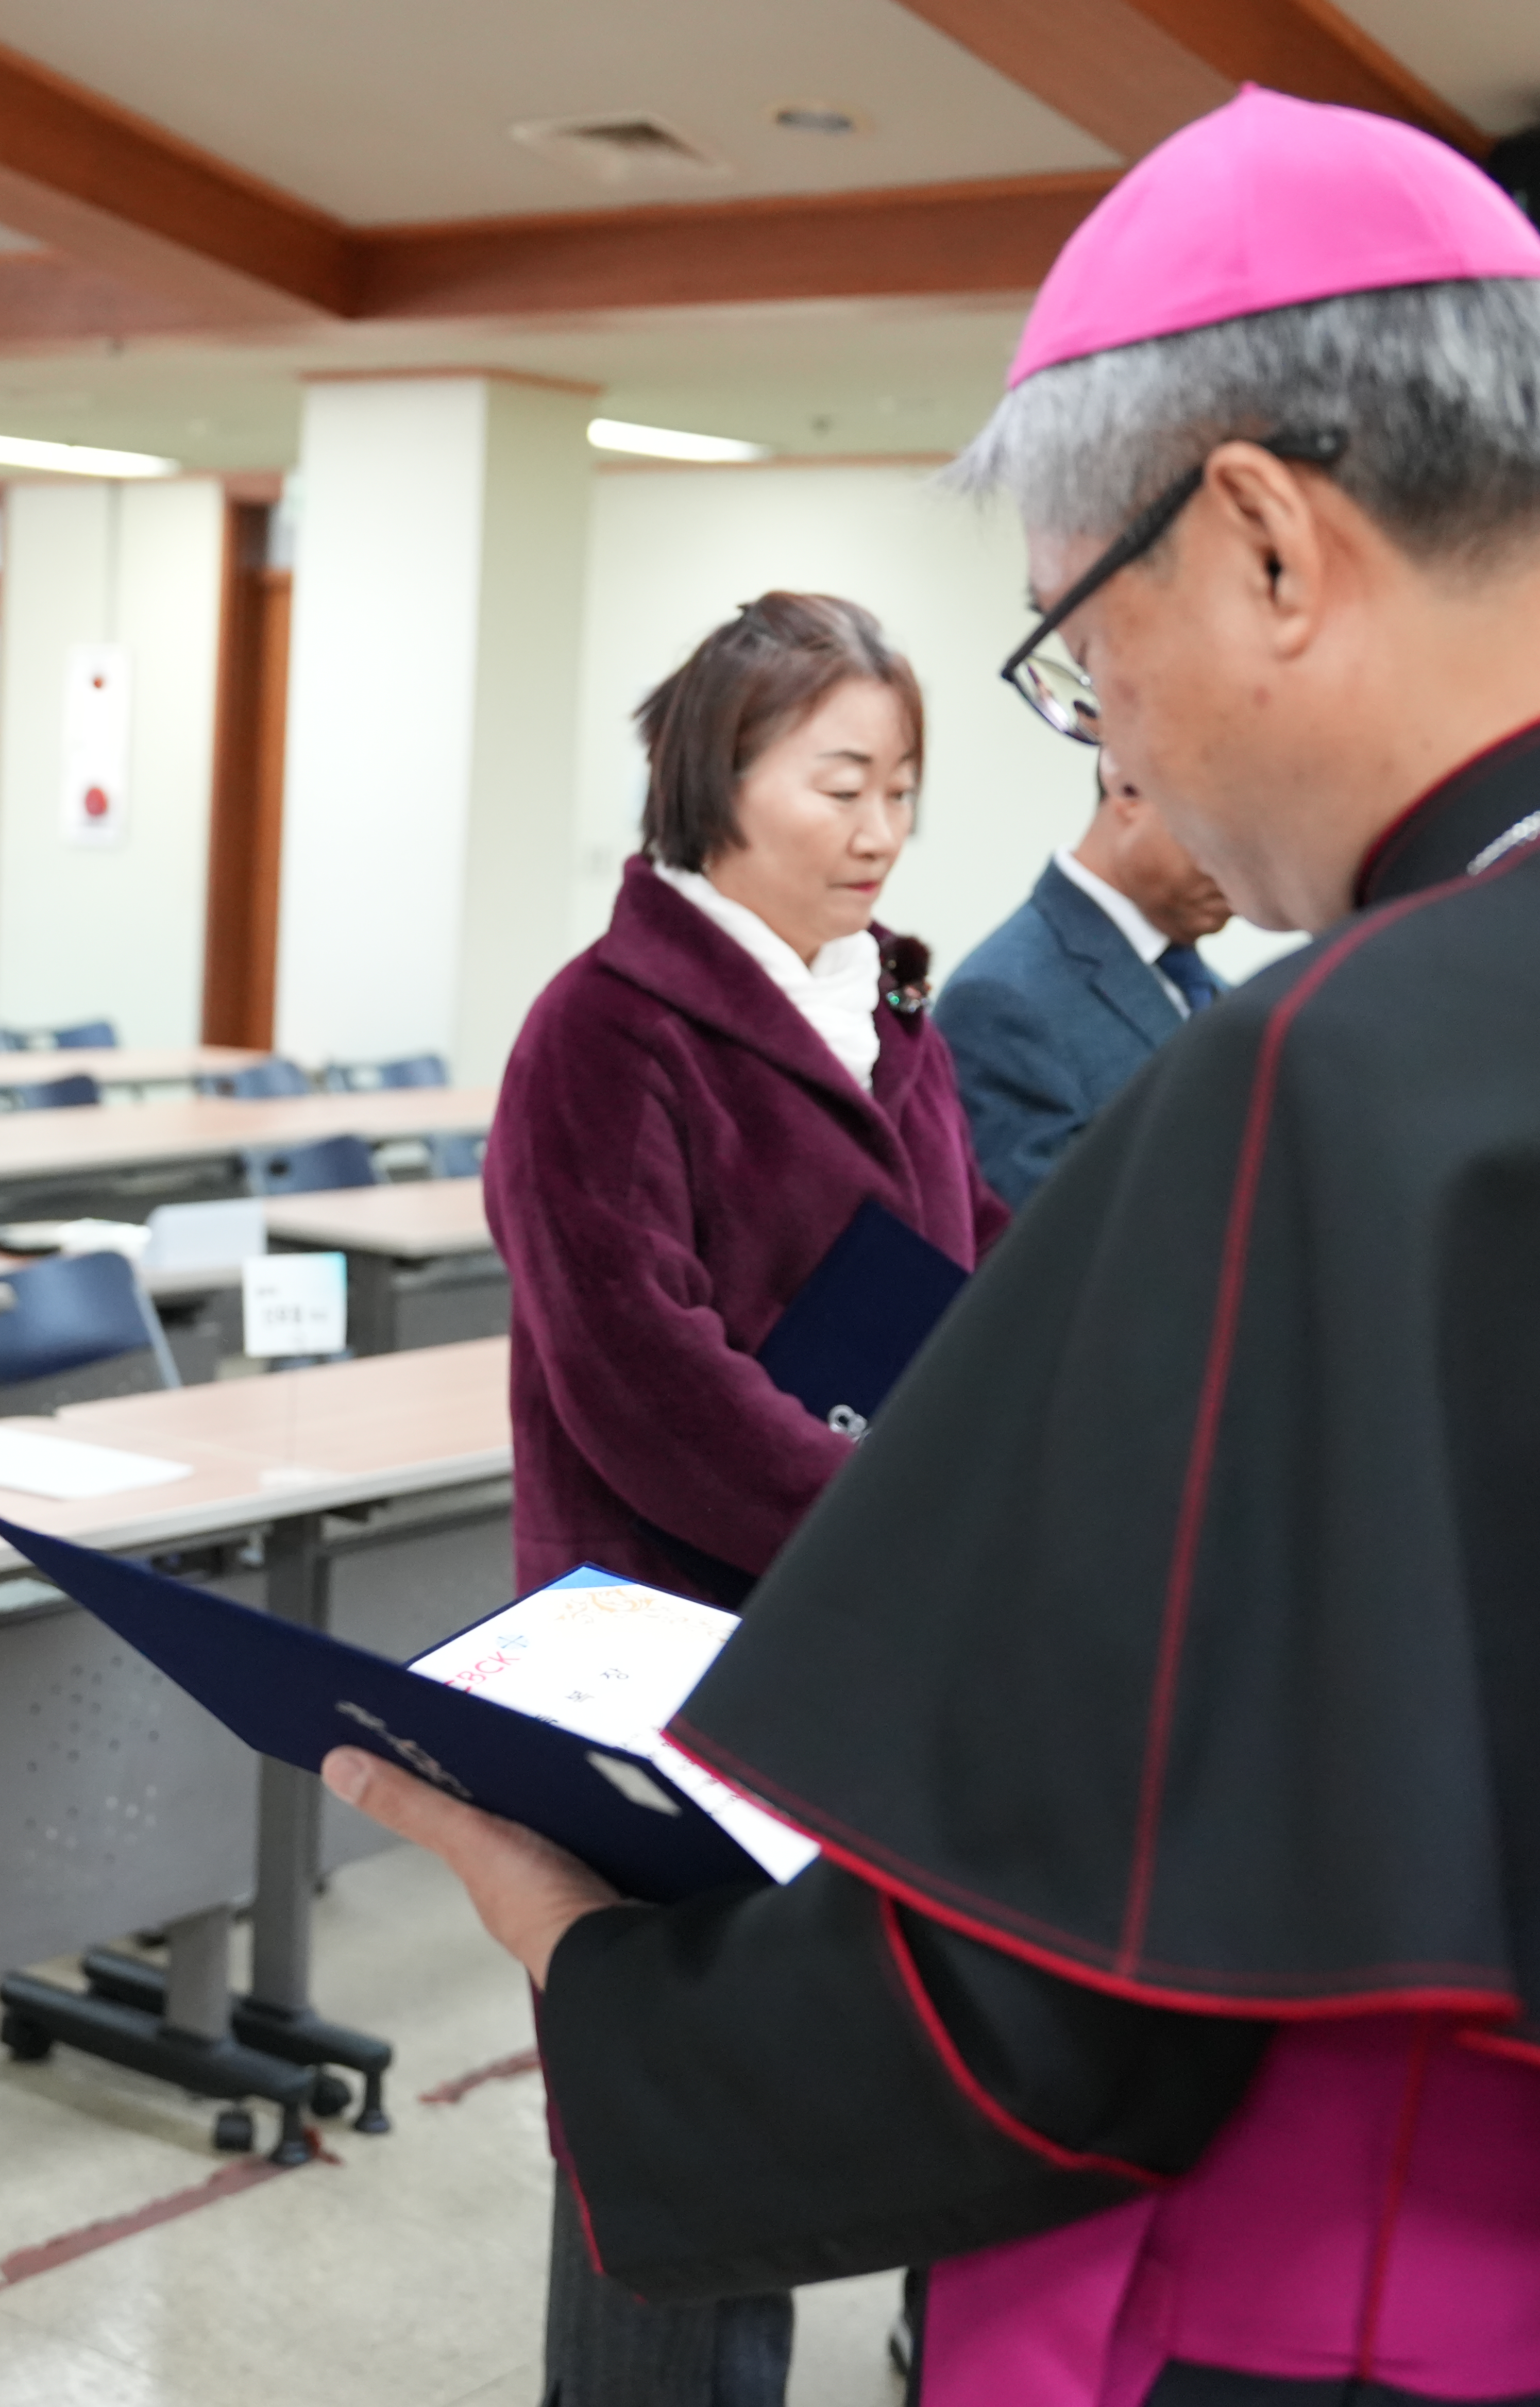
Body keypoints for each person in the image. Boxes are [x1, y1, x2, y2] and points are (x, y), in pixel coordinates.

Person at [331, 87, 1540, 2407]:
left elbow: (1034, 2024)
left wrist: (582, 1960)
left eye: (1085, 644)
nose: (1119, 744)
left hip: (1316, 2339)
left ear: (1261, 537)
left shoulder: (1347, 1081)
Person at [481, 591, 1007, 2407]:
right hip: (669, 1661)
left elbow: (963, 1253)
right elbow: (644, 1381)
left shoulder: (885, 1008)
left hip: (850, 1650)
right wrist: (903, 1531)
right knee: (668, 2144)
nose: (877, 829)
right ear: (717, 781)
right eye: (837, 781)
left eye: (902, 788)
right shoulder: (604, 1029)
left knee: (795, 2117)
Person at [931, 749, 1233, 1204]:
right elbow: (1038, 1250)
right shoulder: (1001, 999)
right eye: (1228, 830)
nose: (1248, 867)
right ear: (1129, 782)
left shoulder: (1223, 996)